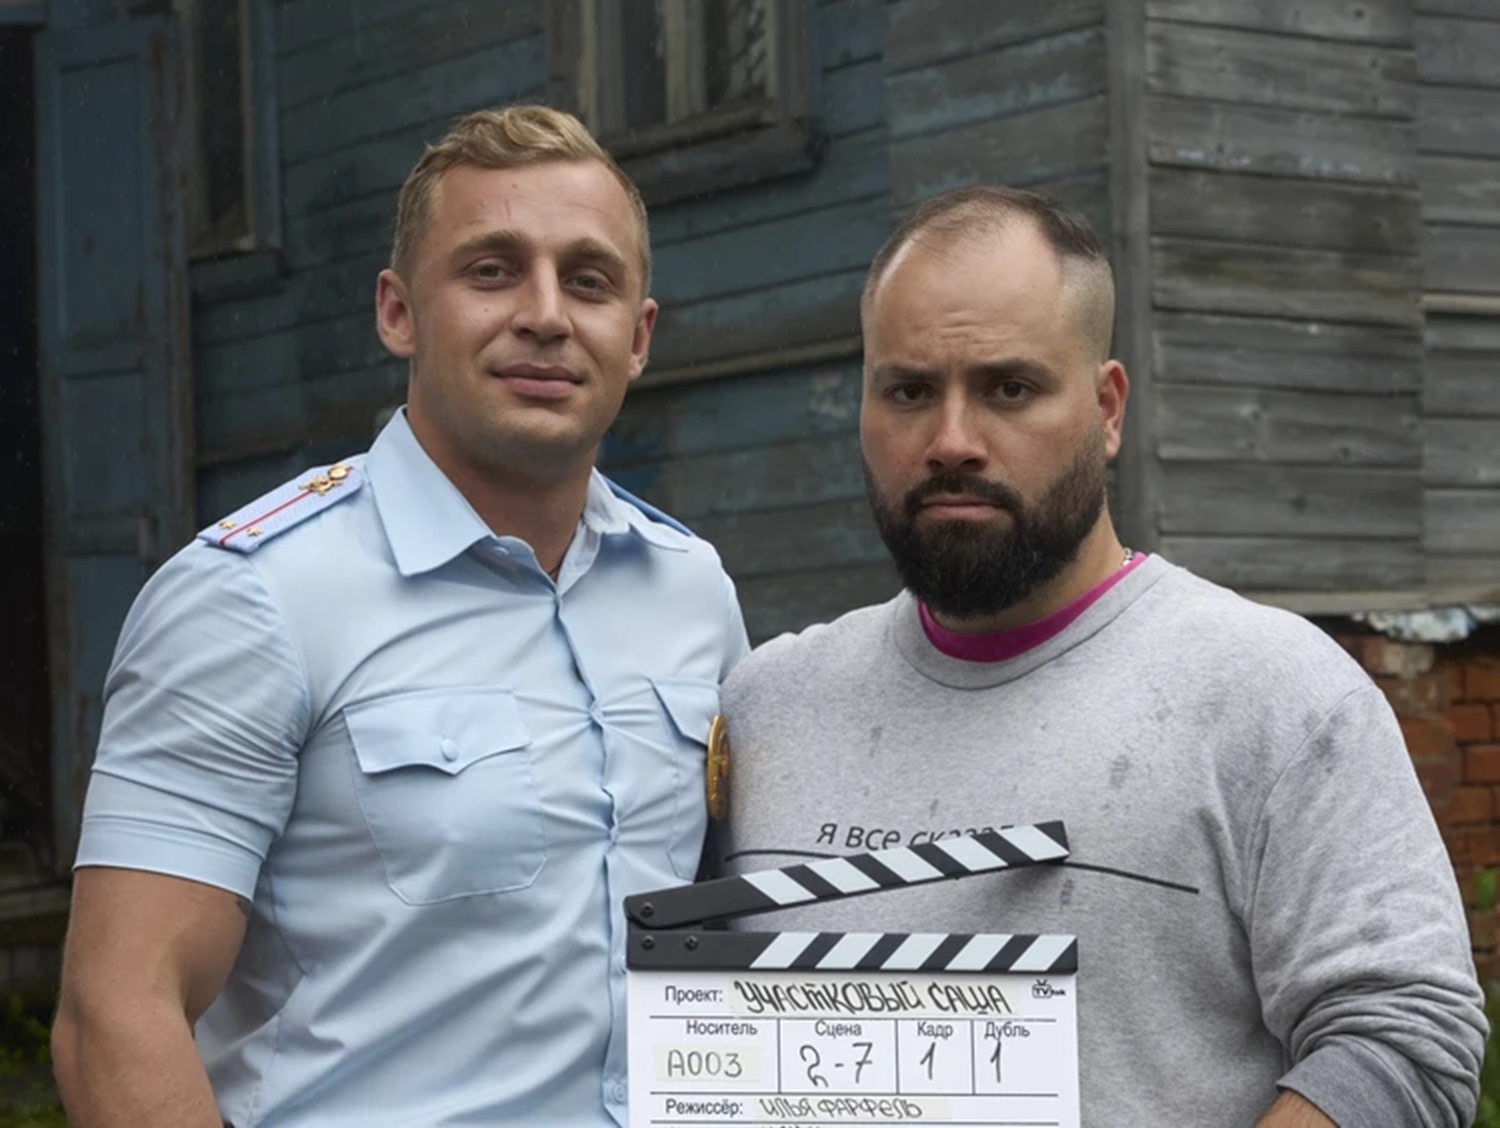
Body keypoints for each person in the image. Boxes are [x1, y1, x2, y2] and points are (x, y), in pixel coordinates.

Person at [714, 186, 1486, 1127]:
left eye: (1009, 388)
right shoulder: (765, 707)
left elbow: (1405, 1042)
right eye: (909, 391)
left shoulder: (1278, 697)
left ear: (1107, 408)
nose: (951, 441)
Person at [51, 105, 749, 1127]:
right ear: (397, 312)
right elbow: (116, 1014)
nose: (546, 314)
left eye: (589, 280)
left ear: (638, 336)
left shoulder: (692, 590)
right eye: (491, 271)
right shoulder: (253, 596)